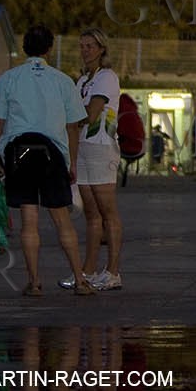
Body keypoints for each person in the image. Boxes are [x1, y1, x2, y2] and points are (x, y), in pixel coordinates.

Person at [0, 26, 93, 297]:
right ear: (49, 48)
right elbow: (72, 126)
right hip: (52, 152)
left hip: (18, 150)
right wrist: (71, 163)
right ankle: (80, 280)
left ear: (24, 48)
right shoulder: (63, 80)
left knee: (28, 221)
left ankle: (34, 282)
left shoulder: (9, 78)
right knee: (61, 220)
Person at [61, 27, 123, 291]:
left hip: (100, 146)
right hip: (83, 146)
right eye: (82, 46)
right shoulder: (83, 79)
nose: (85, 50)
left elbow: (91, 114)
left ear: (101, 49)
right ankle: (87, 269)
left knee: (107, 211)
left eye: (90, 46)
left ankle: (113, 271)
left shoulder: (106, 78)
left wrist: (65, 117)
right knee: (91, 213)